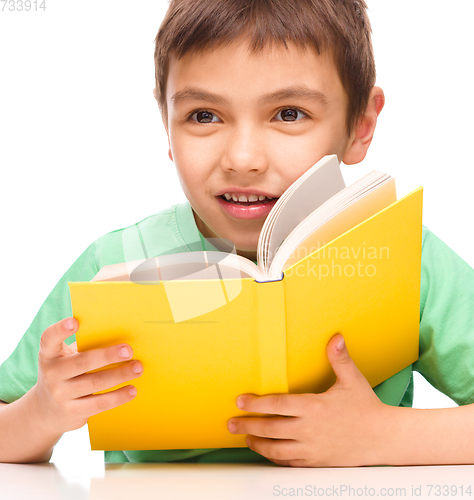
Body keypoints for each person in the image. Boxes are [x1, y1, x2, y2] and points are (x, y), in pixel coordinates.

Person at [1, 0, 474, 467]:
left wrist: (384, 438)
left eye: (289, 114)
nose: (242, 158)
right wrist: (43, 413)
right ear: (166, 121)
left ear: (361, 125)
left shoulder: (404, 256)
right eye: (204, 115)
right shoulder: (113, 265)